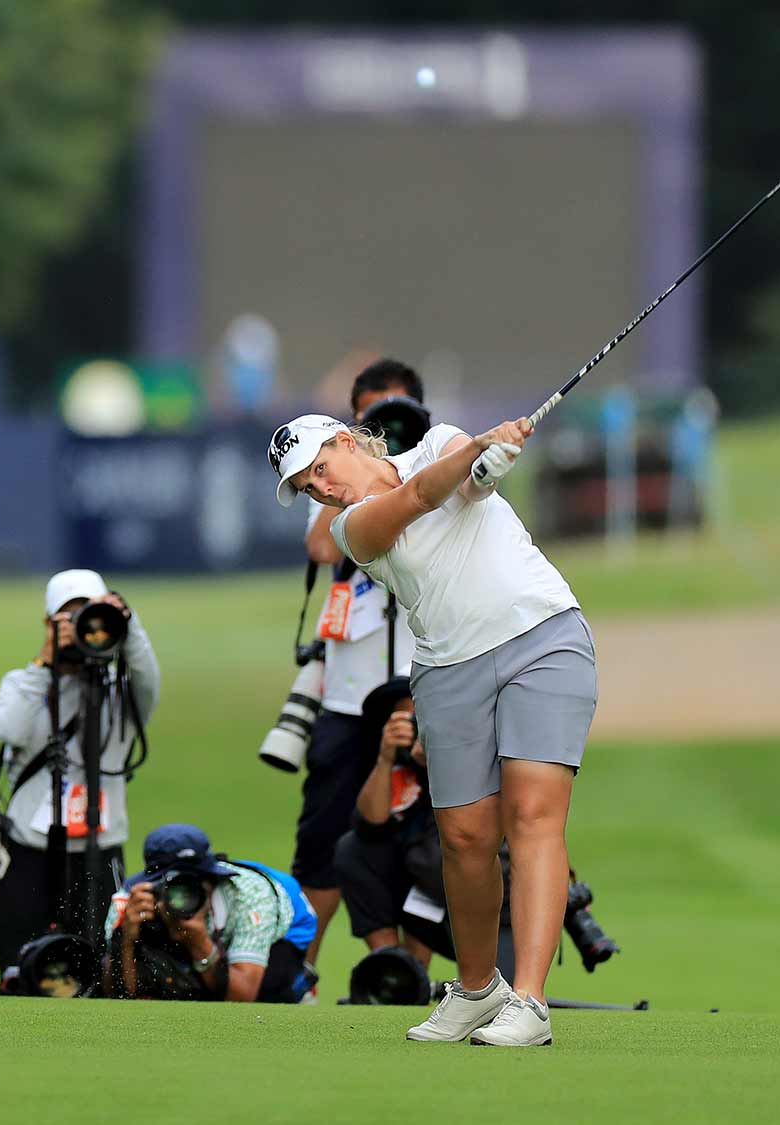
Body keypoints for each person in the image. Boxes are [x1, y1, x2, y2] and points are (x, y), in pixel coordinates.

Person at [272, 407, 595, 1047]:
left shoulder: (441, 442)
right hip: (448, 669)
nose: (322, 489)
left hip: (544, 636)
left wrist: (489, 458)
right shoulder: (351, 527)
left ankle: (528, 1001)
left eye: (320, 470)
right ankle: (478, 993)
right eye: (308, 487)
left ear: (344, 441)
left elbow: (467, 479)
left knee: (532, 815)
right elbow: (422, 494)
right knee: (465, 836)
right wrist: (482, 448)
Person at [293, 358, 422, 972]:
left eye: (394, 413)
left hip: (422, 681)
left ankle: (412, 975)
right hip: (348, 692)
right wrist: (355, 473)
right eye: (370, 415)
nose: (383, 429)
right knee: (324, 835)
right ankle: (300, 974)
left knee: (428, 833)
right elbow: (322, 545)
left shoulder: (429, 469)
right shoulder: (332, 480)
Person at [0, 569, 160, 977]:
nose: (87, 625)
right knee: (20, 972)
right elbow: (9, 729)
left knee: (101, 971)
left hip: (102, 848)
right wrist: (46, 661)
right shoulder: (24, 682)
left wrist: (128, 625)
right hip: (29, 849)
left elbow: (150, 679)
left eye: (94, 614)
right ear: (49, 624)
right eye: (71, 616)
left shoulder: (122, 691)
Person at [102, 824, 316, 1002]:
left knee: (267, 992)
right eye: (174, 887)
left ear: (213, 878)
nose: (184, 896)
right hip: (211, 935)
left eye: (195, 883)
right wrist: (126, 939)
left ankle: (301, 987)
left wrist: (200, 941)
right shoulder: (130, 903)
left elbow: (243, 998)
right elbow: (119, 997)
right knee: (154, 982)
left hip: (285, 930)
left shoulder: (250, 897)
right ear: (153, 885)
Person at [332, 677, 452, 967]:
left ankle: (418, 971)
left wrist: (437, 758)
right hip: (409, 879)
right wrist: (386, 758)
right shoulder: (383, 756)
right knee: (352, 849)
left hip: (459, 891)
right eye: (406, 715)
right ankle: (391, 966)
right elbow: (370, 825)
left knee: (431, 857)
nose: (415, 724)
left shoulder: (466, 748)